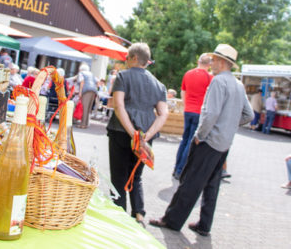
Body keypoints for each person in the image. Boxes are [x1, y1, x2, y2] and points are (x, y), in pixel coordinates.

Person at [149, 43, 253, 236]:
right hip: (224, 144)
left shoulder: (218, 81)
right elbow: (249, 115)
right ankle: (204, 225)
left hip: (209, 141)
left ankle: (172, 220)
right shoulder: (238, 85)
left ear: (221, 62)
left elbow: (211, 113)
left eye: (213, 59)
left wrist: (200, 136)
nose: (211, 62)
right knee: (212, 185)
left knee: (190, 181)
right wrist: (229, 125)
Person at [107, 43, 168, 227]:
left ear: (134, 58)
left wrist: (132, 132)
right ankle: (139, 214)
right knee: (136, 176)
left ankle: (118, 216)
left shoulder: (123, 76)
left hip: (121, 131)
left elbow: (119, 106)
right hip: (145, 137)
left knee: (118, 176)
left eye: (126, 58)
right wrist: (146, 135)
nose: (125, 61)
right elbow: (163, 114)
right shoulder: (158, 85)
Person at [172, 53, 213, 180]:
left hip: (188, 110)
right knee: (190, 141)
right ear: (209, 65)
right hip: (199, 112)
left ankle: (176, 168)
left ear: (198, 61)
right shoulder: (209, 77)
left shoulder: (188, 74)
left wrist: (186, 105)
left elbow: (183, 91)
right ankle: (180, 170)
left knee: (184, 140)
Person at [76, 63, 98, 129]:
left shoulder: (81, 73)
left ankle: (83, 124)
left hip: (86, 91)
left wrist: (80, 92)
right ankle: (86, 124)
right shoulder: (91, 74)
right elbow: (97, 82)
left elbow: (82, 82)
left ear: (81, 69)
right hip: (93, 91)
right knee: (88, 108)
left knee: (84, 107)